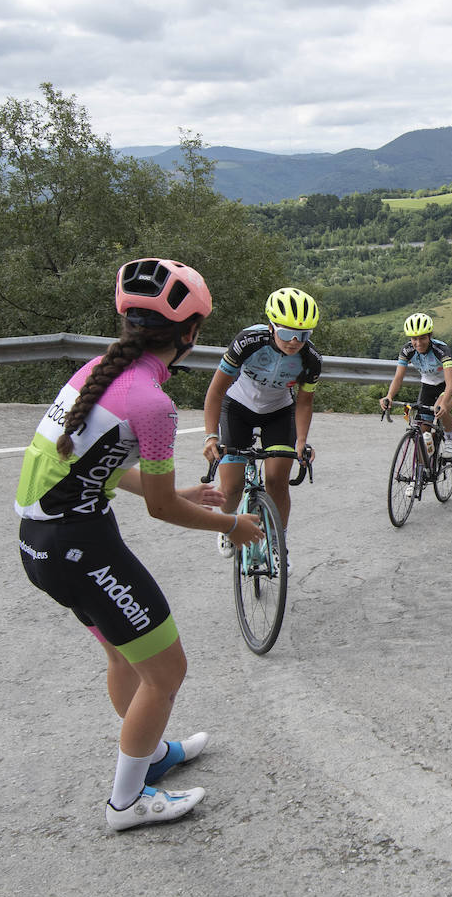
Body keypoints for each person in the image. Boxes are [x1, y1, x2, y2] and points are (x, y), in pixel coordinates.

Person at [15, 258, 265, 831]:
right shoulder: (152, 403)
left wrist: (171, 487)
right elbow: (160, 510)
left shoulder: (97, 371)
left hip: (43, 544)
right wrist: (234, 526)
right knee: (166, 672)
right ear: (190, 332)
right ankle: (126, 802)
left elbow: (84, 465)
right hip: (80, 547)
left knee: (125, 656)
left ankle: (147, 752)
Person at [203, 287, 322, 557]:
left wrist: (301, 442)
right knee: (231, 487)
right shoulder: (248, 341)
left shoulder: (311, 359)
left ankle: (279, 545)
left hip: (279, 412)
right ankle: (227, 524)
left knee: (276, 481)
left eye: (303, 335)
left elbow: (304, 403)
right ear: (271, 326)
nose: (294, 341)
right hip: (238, 409)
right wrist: (210, 435)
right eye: (286, 333)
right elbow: (216, 392)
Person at [380, 312, 452, 459]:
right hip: (429, 384)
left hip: (449, 383)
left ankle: (450, 438)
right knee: (423, 428)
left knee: (440, 409)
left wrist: (444, 403)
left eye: (423, 338)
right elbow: (399, 377)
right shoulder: (407, 350)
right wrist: (389, 396)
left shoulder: (441, 350)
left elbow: (450, 383)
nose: (418, 343)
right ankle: (425, 466)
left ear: (430, 336)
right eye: (414, 339)